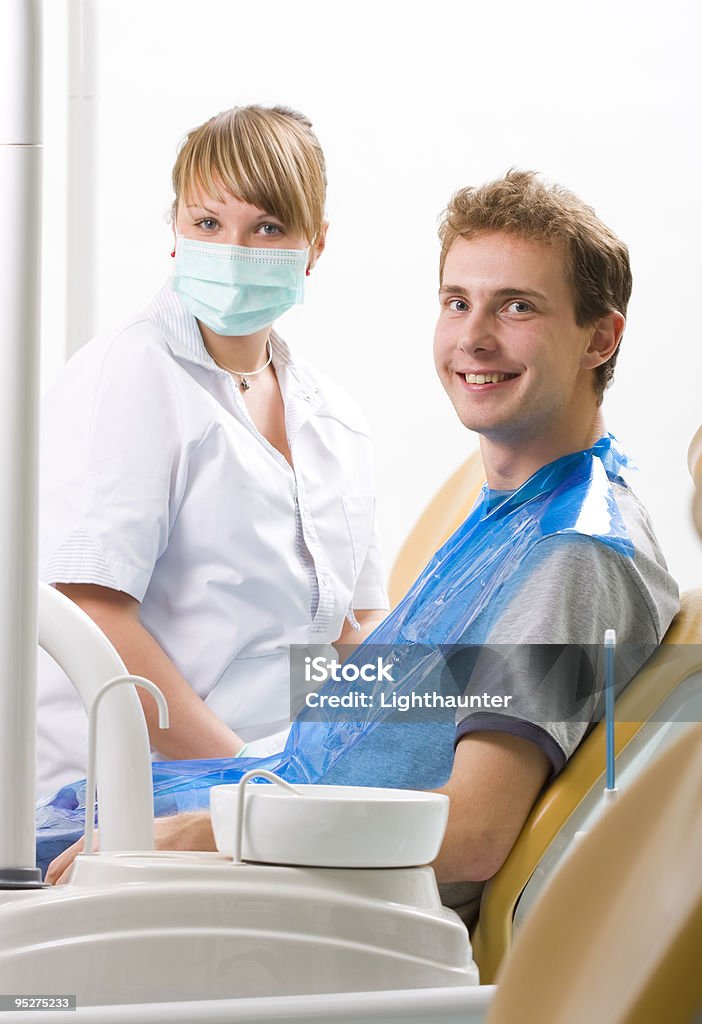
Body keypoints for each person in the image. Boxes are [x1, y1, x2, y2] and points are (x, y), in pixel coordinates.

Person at [47, 172, 678, 934]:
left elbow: (474, 832)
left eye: (517, 306)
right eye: (456, 302)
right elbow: (400, 697)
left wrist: (221, 833)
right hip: (270, 830)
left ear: (600, 338)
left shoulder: (574, 552)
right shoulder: (510, 516)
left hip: (314, 910)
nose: (474, 337)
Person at [37, 105, 388, 798]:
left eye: (267, 227)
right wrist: (251, 786)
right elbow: (93, 615)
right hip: (123, 798)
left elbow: (359, 625)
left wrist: (394, 748)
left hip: (271, 784)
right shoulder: (132, 374)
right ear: (175, 230)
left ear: (315, 244)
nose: (233, 250)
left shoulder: (334, 417)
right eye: (208, 224)